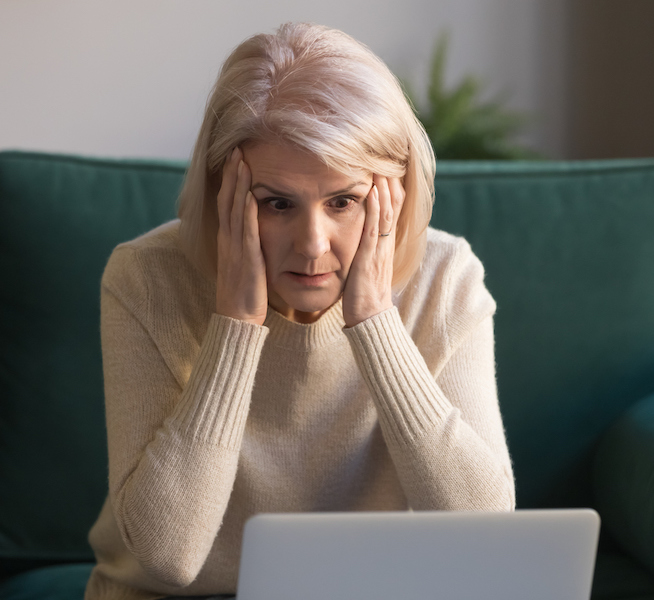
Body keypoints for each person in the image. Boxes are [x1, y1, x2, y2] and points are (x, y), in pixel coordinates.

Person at [84, 22, 515, 600]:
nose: (313, 244)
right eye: (278, 204)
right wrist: (236, 322)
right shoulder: (145, 278)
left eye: (344, 202)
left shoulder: (445, 276)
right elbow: (169, 557)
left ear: (396, 191)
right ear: (223, 193)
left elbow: (485, 537)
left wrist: (374, 320)